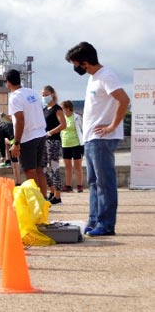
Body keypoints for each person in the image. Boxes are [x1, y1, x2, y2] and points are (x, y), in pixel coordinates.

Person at [64, 41, 130, 237]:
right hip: (91, 138)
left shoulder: (106, 75)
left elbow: (124, 100)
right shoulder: (93, 78)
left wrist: (112, 126)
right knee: (93, 182)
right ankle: (94, 220)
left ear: (84, 62)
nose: (76, 68)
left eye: (76, 64)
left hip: (102, 139)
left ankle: (106, 223)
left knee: (104, 182)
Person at [5, 69, 48, 198]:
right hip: (40, 133)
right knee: (39, 169)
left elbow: (20, 119)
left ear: (8, 83)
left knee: (30, 171)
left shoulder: (15, 97)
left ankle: (37, 202)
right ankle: (44, 198)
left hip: (28, 137)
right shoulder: (32, 92)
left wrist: (16, 142)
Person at [41, 85, 67, 205]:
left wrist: (50, 132)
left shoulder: (57, 109)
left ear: (52, 94)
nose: (44, 97)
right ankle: (52, 191)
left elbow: (63, 124)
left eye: (46, 95)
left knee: (54, 168)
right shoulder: (45, 109)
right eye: (43, 95)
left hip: (54, 141)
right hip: (44, 142)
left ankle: (57, 196)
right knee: (43, 168)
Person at [59, 100, 85, 193]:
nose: (61, 111)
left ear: (68, 108)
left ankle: (79, 185)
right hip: (65, 144)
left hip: (76, 144)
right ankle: (68, 185)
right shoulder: (61, 118)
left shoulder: (77, 117)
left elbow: (83, 129)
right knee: (67, 166)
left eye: (63, 109)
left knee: (77, 166)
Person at [0, 119, 22, 185]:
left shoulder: (0, 128)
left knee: (15, 163)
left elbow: (1, 143)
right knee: (6, 140)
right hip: (20, 139)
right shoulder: (7, 124)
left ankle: (18, 183)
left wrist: (3, 156)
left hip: (14, 142)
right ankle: (8, 161)